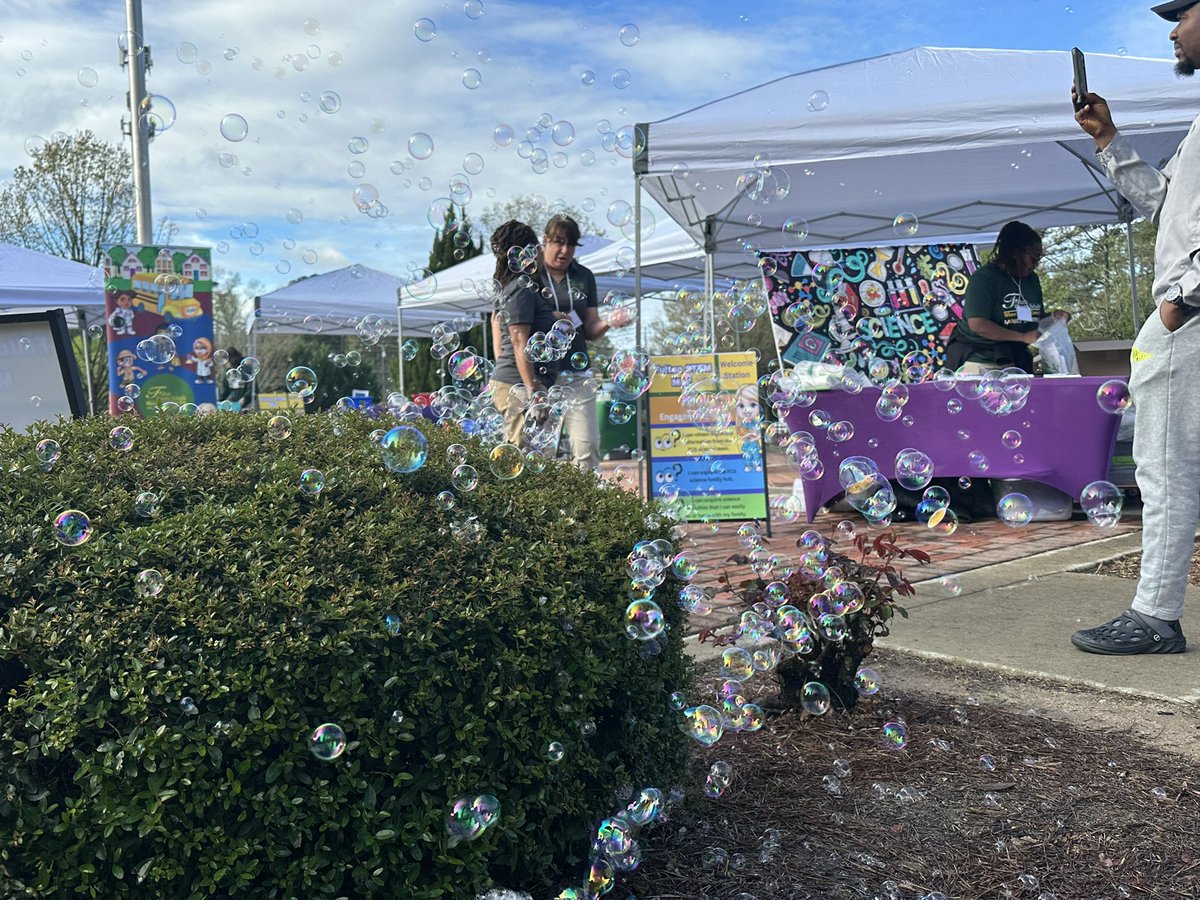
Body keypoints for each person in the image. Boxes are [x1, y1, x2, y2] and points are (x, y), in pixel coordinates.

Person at [1069, 0, 1200, 655]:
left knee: (1166, 471)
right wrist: (1107, 140)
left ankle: (1155, 617)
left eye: (1184, 13)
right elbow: (1161, 203)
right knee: (1172, 468)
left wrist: (1183, 300)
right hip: (1184, 320)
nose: (1174, 29)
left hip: (1189, 323)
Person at [539, 214, 615, 471]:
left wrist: (610, 321)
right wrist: (550, 317)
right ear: (545, 241)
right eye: (559, 242)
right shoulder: (532, 275)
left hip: (576, 371)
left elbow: (590, 328)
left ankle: (584, 509)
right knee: (542, 449)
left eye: (571, 245)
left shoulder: (583, 276)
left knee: (587, 446)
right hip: (542, 373)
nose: (564, 250)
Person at [943, 222, 1069, 374]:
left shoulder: (1031, 280)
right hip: (982, 360)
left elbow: (1031, 319)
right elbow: (977, 324)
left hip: (1014, 359)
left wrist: (1053, 317)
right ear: (1014, 252)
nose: (1036, 264)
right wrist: (1023, 337)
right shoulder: (985, 278)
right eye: (1034, 257)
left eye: (1039, 257)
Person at [487, 220, 560, 447]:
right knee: (522, 454)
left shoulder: (514, 287)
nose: (539, 251)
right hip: (520, 387)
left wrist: (553, 318)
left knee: (534, 457)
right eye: (534, 246)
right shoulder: (520, 287)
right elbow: (520, 341)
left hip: (517, 384)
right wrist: (533, 389)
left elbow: (500, 341)